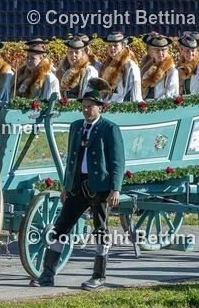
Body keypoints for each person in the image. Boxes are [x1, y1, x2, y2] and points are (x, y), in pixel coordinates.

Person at [30, 89, 123, 290]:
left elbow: (117, 161)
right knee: (60, 228)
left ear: (100, 107)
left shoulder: (109, 128)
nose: (86, 110)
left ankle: (99, 276)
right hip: (76, 186)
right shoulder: (76, 127)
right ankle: (47, 275)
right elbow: (71, 159)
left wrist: (115, 189)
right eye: (84, 107)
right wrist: (66, 186)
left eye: (90, 106)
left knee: (101, 231)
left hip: (99, 187)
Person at [99, 32, 142, 103]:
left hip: (122, 108)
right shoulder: (107, 65)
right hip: (106, 106)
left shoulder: (131, 66)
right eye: (109, 45)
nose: (112, 48)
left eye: (115, 45)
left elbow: (136, 94)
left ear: (123, 46)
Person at [141, 33, 179, 99]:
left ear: (167, 51)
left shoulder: (172, 71)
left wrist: (154, 104)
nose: (160, 53)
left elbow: (171, 94)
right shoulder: (147, 68)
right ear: (152, 51)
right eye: (157, 50)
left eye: (163, 50)